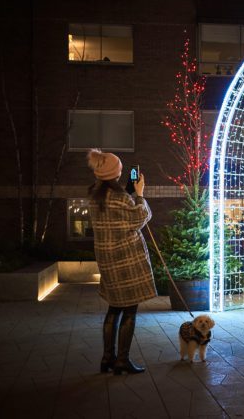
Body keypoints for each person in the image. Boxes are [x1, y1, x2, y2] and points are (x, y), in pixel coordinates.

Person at [87, 149, 157, 375]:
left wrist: (129, 194)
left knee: (114, 308)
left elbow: (117, 216)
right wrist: (140, 194)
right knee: (129, 310)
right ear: (115, 172)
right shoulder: (121, 198)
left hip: (107, 261)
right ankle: (122, 361)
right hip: (125, 261)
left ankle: (107, 358)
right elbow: (141, 217)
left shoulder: (94, 195)